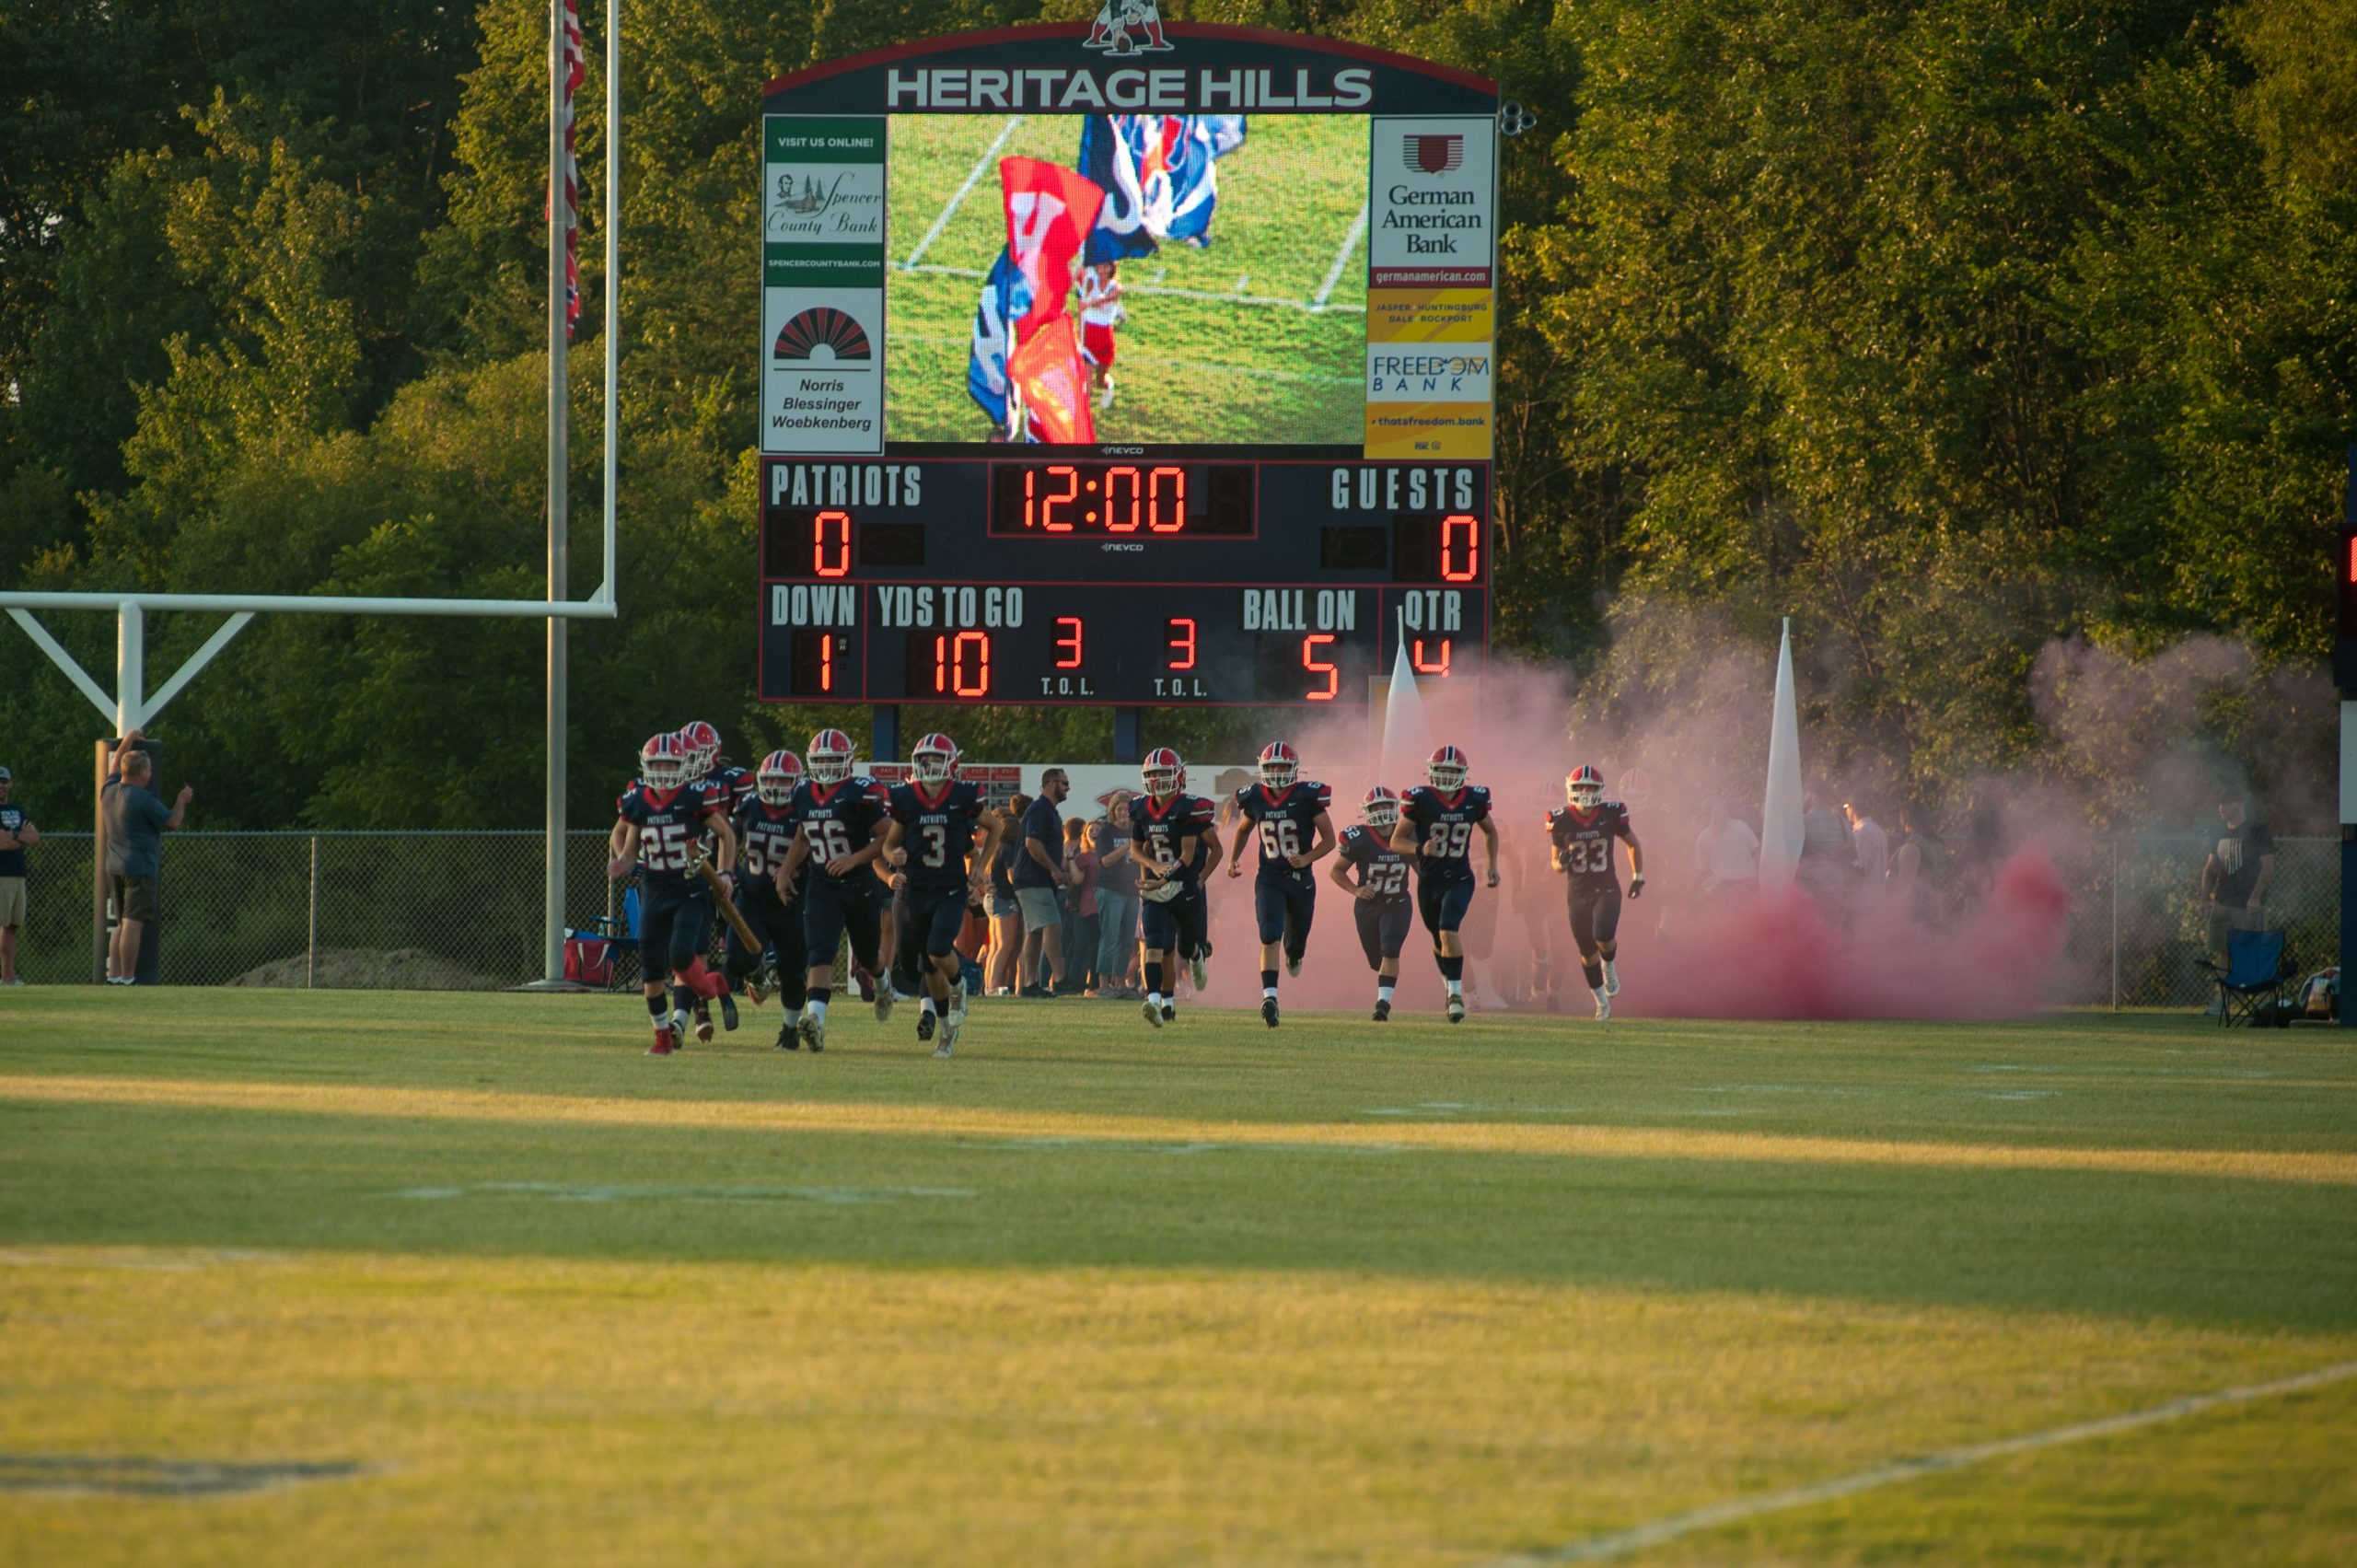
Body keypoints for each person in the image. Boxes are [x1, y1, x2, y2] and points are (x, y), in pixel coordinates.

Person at [610, 732, 738, 1054]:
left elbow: (726, 833)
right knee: (651, 968)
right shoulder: (637, 801)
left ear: (683, 765)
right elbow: (628, 850)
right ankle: (662, 1038)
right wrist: (621, 863)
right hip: (653, 887)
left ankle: (710, 987)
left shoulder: (694, 797)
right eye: (657, 763)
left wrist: (724, 873)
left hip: (688, 886)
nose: (664, 769)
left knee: (680, 954)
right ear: (646, 765)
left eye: (670, 762)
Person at [774, 727, 895, 1051]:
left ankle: (883, 984)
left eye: (833, 759)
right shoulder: (802, 793)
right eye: (822, 759)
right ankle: (815, 1020)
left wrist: (854, 859)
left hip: (859, 885)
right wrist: (785, 871)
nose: (827, 766)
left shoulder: (859, 792)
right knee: (820, 953)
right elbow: (802, 837)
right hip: (822, 884)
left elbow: (887, 837)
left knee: (869, 955)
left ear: (848, 760)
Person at [882, 732, 1001, 1057]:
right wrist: (893, 856)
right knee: (923, 966)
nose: (930, 765)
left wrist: (981, 866)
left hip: (950, 890)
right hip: (916, 890)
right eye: (925, 760)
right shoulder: (904, 798)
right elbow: (889, 843)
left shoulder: (963, 796)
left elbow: (995, 827)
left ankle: (959, 984)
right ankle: (947, 1030)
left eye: (936, 760)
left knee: (937, 950)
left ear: (951, 764)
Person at [1225, 740, 1336, 1028]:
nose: (1276, 771)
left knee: (1295, 946)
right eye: (1271, 766)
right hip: (1270, 878)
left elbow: (1329, 839)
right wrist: (1233, 860)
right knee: (1269, 934)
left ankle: (1294, 955)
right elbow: (1243, 830)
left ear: (1293, 769)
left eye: (1281, 766)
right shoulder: (1255, 797)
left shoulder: (1307, 796)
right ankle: (1270, 997)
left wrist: (1307, 857)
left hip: (1301, 879)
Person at [1391, 743, 1498, 1024]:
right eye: (1442, 771)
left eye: (1453, 771)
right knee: (1439, 939)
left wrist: (1492, 865)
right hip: (1429, 879)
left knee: (1448, 928)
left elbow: (1490, 832)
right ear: (1432, 772)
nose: (1448, 777)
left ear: (1463, 773)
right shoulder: (1420, 799)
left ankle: (1454, 996)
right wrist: (1420, 849)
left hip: (1460, 876)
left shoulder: (1474, 799)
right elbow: (1396, 841)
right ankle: (1451, 988)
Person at [1547, 765, 1646, 1021]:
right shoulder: (1560, 819)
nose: (1585, 792)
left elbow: (1632, 843)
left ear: (1600, 790)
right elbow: (1555, 864)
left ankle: (1609, 965)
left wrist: (1638, 876)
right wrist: (1563, 862)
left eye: (1590, 788)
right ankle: (1601, 1002)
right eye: (1580, 787)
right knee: (1586, 952)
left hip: (1606, 886)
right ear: (1571, 789)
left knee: (1603, 934)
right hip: (1577, 891)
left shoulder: (1611, 813)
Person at [1131, 747, 1219, 1028]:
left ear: (1178, 775)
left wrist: (1196, 876)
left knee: (1185, 947)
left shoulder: (1189, 808)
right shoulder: (1141, 807)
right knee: (1155, 945)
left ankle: (1196, 956)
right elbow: (1135, 850)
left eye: (1163, 773)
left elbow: (1188, 855)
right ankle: (1155, 1002)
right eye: (1153, 774)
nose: (1157, 779)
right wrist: (1152, 868)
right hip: (1157, 888)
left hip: (1184, 887)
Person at [728, 750, 811, 1050]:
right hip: (752, 899)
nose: (776, 784)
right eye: (771, 778)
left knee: (792, 971)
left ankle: (789, 1031)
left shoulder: (805, 807)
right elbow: (729, 838)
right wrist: (727, 873)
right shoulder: (749, 805)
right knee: (737, 959)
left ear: (796, 781)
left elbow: (814, 851)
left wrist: (794, 871)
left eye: (783, 779)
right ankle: (757, 972)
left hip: (792, 903)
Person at [100, 731, 191, 986]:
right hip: (138, 867)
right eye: (148, 770)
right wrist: (181, 800)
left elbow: (115, 764)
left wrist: (127, 741)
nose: (150, 774)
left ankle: (114, 975)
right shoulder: (143, 798)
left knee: (120, 923)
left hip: (114, 866)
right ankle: (129, 978)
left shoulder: (108, 791)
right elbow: (172, 821)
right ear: (140, 773)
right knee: (132, 924)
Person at [1330, 786, 1416, 1020]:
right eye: (1375, 807)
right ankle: (1386, 984)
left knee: (1391, 949)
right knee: (1375, 959)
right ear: (1366, 812)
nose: (1380, 811)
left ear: (1395, 808)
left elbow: (1422, 870)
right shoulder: (1359, 838)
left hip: (1397, 902)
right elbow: (1336, 871)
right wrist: (1356, 890)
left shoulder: (1407, 835)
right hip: (1367, 906)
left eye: (1385, 806)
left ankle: (1382, 1004)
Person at [2200, 784, 2277, 1005]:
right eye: (2219, 804)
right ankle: (2222, 1001)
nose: (2221, 808)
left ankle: (2261, 1002)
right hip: (2222, 904)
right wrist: (2205, 898)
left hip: (2247, 905)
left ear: (2239, 804)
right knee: (2223, 953)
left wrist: (2255, 897)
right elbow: (2211, 867)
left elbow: (2268, 865)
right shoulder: (2219, 832)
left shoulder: (2257, 830)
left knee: (2250, 953)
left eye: (2226, 803)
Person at [1012, 768, 1073, 996]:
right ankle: (1060, 978)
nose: (1068, 788)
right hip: (1033, 877)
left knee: (1035, 931)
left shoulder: (1050, 812)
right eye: (1064, 783)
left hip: (1033, 878)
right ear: (1051, 783)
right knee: (1053, 925)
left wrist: (1059, 867)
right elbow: (1032, 843)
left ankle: (1030, 984)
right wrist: (1054, 869)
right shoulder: (1040, 809)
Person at [1087, 804, 1138, 997]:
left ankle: (1120, 983)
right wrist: (1127, 846)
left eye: (1127, 809)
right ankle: (1103, 984)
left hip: (1131, 888)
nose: (1124, 813)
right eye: (1119, 809)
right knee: (1110, 937)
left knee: (1126, 940)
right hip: (1110, 888)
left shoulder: (1136, 829)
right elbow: (1106, 861)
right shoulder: (1106, 832)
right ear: (1113, 812)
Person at [0, 764, 39, 985]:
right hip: (1, 875)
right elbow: (2, 844)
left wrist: (12, 835)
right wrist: (20, 835)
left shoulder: (17, 810)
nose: (1, 786)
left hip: (18, 875)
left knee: (12, 926)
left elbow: (35, 839)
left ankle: (8, 976)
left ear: (10, 784)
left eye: (4, 782)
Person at [986, 796, 1028, 995]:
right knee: (1006, 945)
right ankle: (994, 985)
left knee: (995, 946)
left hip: (993, 900)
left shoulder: (994, 848)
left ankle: (989, 985)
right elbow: (1012, 877)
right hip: (1005, 899)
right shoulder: (1009, 849)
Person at [1795, 786, 1852, 923]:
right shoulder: (1842, 822)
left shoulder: (1801, 821)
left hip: (1808, 884)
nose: (1804, 797)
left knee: (1810, 927)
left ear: (1814, 795)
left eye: (1806, 793)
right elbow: (1851, 852)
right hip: (1835, 883)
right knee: (1832, 927)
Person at [1887, 800, 1945, 923]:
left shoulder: (1911, 848)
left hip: (1914, 914)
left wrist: (1895, 917)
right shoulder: (1934, 844)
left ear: (1905, 820)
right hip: (1931, 908)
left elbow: (1904, 888)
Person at [1693, 796, 1759, 903]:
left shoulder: (1703, 838)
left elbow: (1702, 870)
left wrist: (1691, 890)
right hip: (1751, 882)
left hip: (1725, 888)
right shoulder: (1741, 826)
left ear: (1705, 817)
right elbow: (1758, 853)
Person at [1062, 818, 1100, 994]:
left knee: (1102, 945)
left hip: (1107, 904)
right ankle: (1087, 983)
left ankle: (1103, 983)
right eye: (1091, 830)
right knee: (1088, 945)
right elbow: (1077, 879)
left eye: (1098, 831)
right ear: (1085, 835)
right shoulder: (1083, 857)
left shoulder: (1108, 855)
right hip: (1089, 906)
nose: (1094, 833)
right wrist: (1070, 858)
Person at [1844, 796, 1889, 904]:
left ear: (1853, 808)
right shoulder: (1879, 831)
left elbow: (1858, 868)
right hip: (1878, 898)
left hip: (1862, 901)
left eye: (1846, 806)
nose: (1845, 810)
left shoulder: (1861, 833)